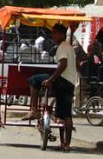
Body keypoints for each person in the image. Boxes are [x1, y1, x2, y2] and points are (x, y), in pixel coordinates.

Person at [23, 23, 77, 151]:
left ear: (62, 34)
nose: (52, 36)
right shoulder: (67, 46)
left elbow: (63, 64)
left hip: (63, 80)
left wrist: (51, 80)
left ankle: (34, 110)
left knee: (34, 79)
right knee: (65, 115)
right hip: (69, 83)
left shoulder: (63, 47)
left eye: (55, 33)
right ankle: (65, 144)